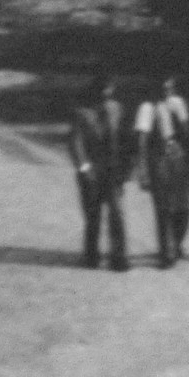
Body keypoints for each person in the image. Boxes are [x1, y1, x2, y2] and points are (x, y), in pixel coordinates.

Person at [69, 76, 132, 271]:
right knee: (93, 215)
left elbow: (125, 140)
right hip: (92, 173)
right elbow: (75, 143)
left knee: (117, 214)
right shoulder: (82, 114)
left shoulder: (118, 110)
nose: (107, 98)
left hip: (113, 171)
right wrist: (85, 169)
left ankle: (119, 257)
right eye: (103, 93)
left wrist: (126, 167)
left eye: (110, 93)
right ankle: (91, 255)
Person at [134, 76, 189, 267]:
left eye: (170, 89)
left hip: (178, 157)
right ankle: (166, 252)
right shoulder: (147, 108)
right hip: (158, 158)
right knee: (164, 207)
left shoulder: (177, 103)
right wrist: (143, 169)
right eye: (163, 89)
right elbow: (142, 140)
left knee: (185, 206)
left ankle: (175, 243)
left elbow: (187, 131)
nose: (167, 92)